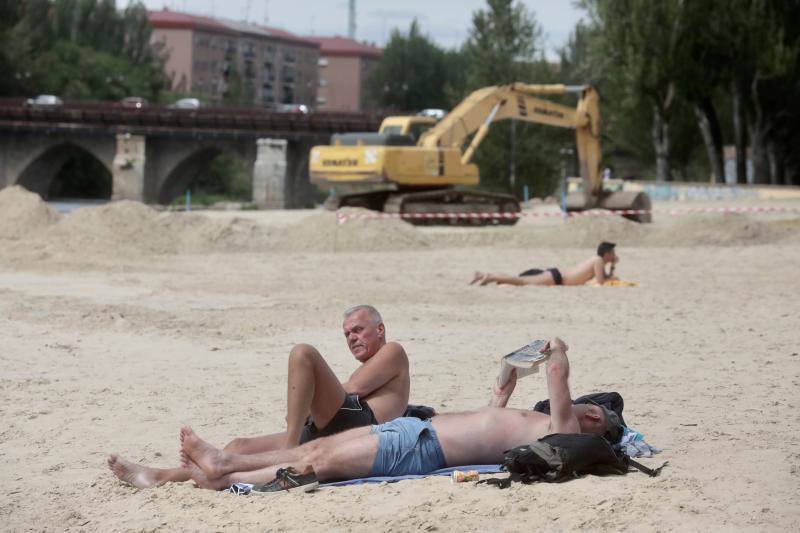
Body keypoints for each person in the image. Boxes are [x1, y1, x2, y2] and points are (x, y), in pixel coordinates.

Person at [177, 337, 622, 492]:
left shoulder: (564, 429)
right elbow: (491, 414)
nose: (576, 401)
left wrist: (555, 348)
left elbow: (558, 374)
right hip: (415, 431)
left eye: (588, 404)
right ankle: (223, 471)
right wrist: (508, 375)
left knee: (320, 462)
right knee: (316, 454)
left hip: (420, 448)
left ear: (595, 419)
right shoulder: (538, 428)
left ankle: (225, 466)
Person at [108, 305, 410, 489]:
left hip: (362, 426)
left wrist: (302, 409)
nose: (352, 338)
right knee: (238, 446)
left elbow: (352, 389)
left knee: (303, 353)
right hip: (335, 426)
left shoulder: (393, 351)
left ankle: (288, 461)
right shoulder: (374, 363)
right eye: (346, 334)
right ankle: (161, 477)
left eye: (358, 330)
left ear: (380, 329)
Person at [469, 241, 619, 287]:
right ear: (606, 253)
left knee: (520, 280)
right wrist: (612, 275)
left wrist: (612, 266)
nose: (614, 255)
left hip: (557, 276)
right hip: (557, 278)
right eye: (612, 253)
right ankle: (489, 276)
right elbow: (601, 281)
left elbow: (603, 277)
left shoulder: (596, 260)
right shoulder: (598, 260)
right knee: (521, 281)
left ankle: (483, 275)